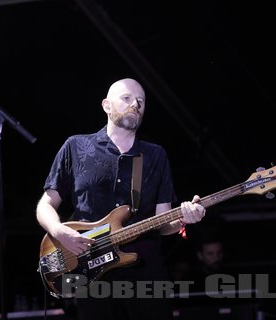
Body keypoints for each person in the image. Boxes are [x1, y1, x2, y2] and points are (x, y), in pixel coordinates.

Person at [35, 78, 206, 320]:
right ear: (106, 105)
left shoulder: (155, 155)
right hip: (92, 272)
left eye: (141, 101)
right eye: (127, 98)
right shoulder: (76, 146)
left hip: (146, 274)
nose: (135, 104)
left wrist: (184, 219)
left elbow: (163, 222)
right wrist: (60, 232)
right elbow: (46, 205)